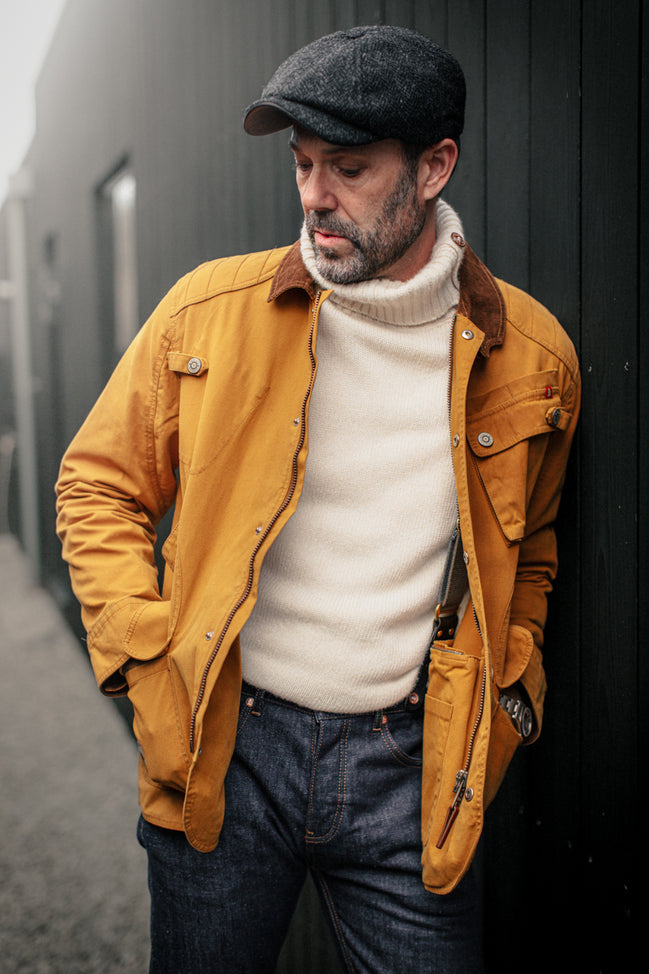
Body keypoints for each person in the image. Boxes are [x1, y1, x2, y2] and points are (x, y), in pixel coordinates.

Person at [56, 25, 580, 974]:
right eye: (302, 165)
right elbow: (98, 484)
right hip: (226, 748)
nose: (312, 195)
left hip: (411, 772)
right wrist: (144, 656)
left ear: (433, 167)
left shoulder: (531, 358)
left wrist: (509, 688)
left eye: (348, 167)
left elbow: (530, 550)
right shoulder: (207, 311)